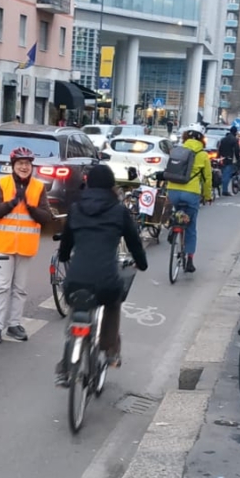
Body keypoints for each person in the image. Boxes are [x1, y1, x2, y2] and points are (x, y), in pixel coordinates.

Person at [54, 164, 149, 383]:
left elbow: (65, 246)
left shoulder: (76, 208)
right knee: (113, 302)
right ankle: (110, 349)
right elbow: (134, 243)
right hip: (106, 279)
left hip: (76, 279)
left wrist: (65, 256)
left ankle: (66, 365)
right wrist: (141, 264)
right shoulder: (119, 211)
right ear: (111, 185)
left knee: (77, 306)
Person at [0, 146, 55, 343]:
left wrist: (31, 207)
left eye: (27, 164)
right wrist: (12, 203)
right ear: (13, 165)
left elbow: (46, 217)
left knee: (19, 288)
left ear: (32, 167)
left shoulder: (38, 187)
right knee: (2, 287)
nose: (24, 167)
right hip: (4, 245)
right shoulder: (3, 183)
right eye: (20, 163)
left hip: (25, 246)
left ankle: (14, 324)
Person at [166, 129, 213, 272]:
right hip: (191, 192)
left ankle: (173, 226)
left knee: (176, 212)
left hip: (173, 190)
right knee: (191, 226)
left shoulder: (177, 151)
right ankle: (190, 261)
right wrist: (207, 195)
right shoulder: (203, 155)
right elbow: (207, 179)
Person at [217, 126, 240, 197]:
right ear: (235, 132)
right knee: (227, 175)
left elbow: (220, 149)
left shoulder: (223, 139)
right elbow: (237, 150)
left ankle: (220, 187)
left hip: (222, 158)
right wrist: (238, 159)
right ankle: (224, 190)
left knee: (223, 173)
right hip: (229, 159)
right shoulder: (234, 140)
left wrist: (219, 157)